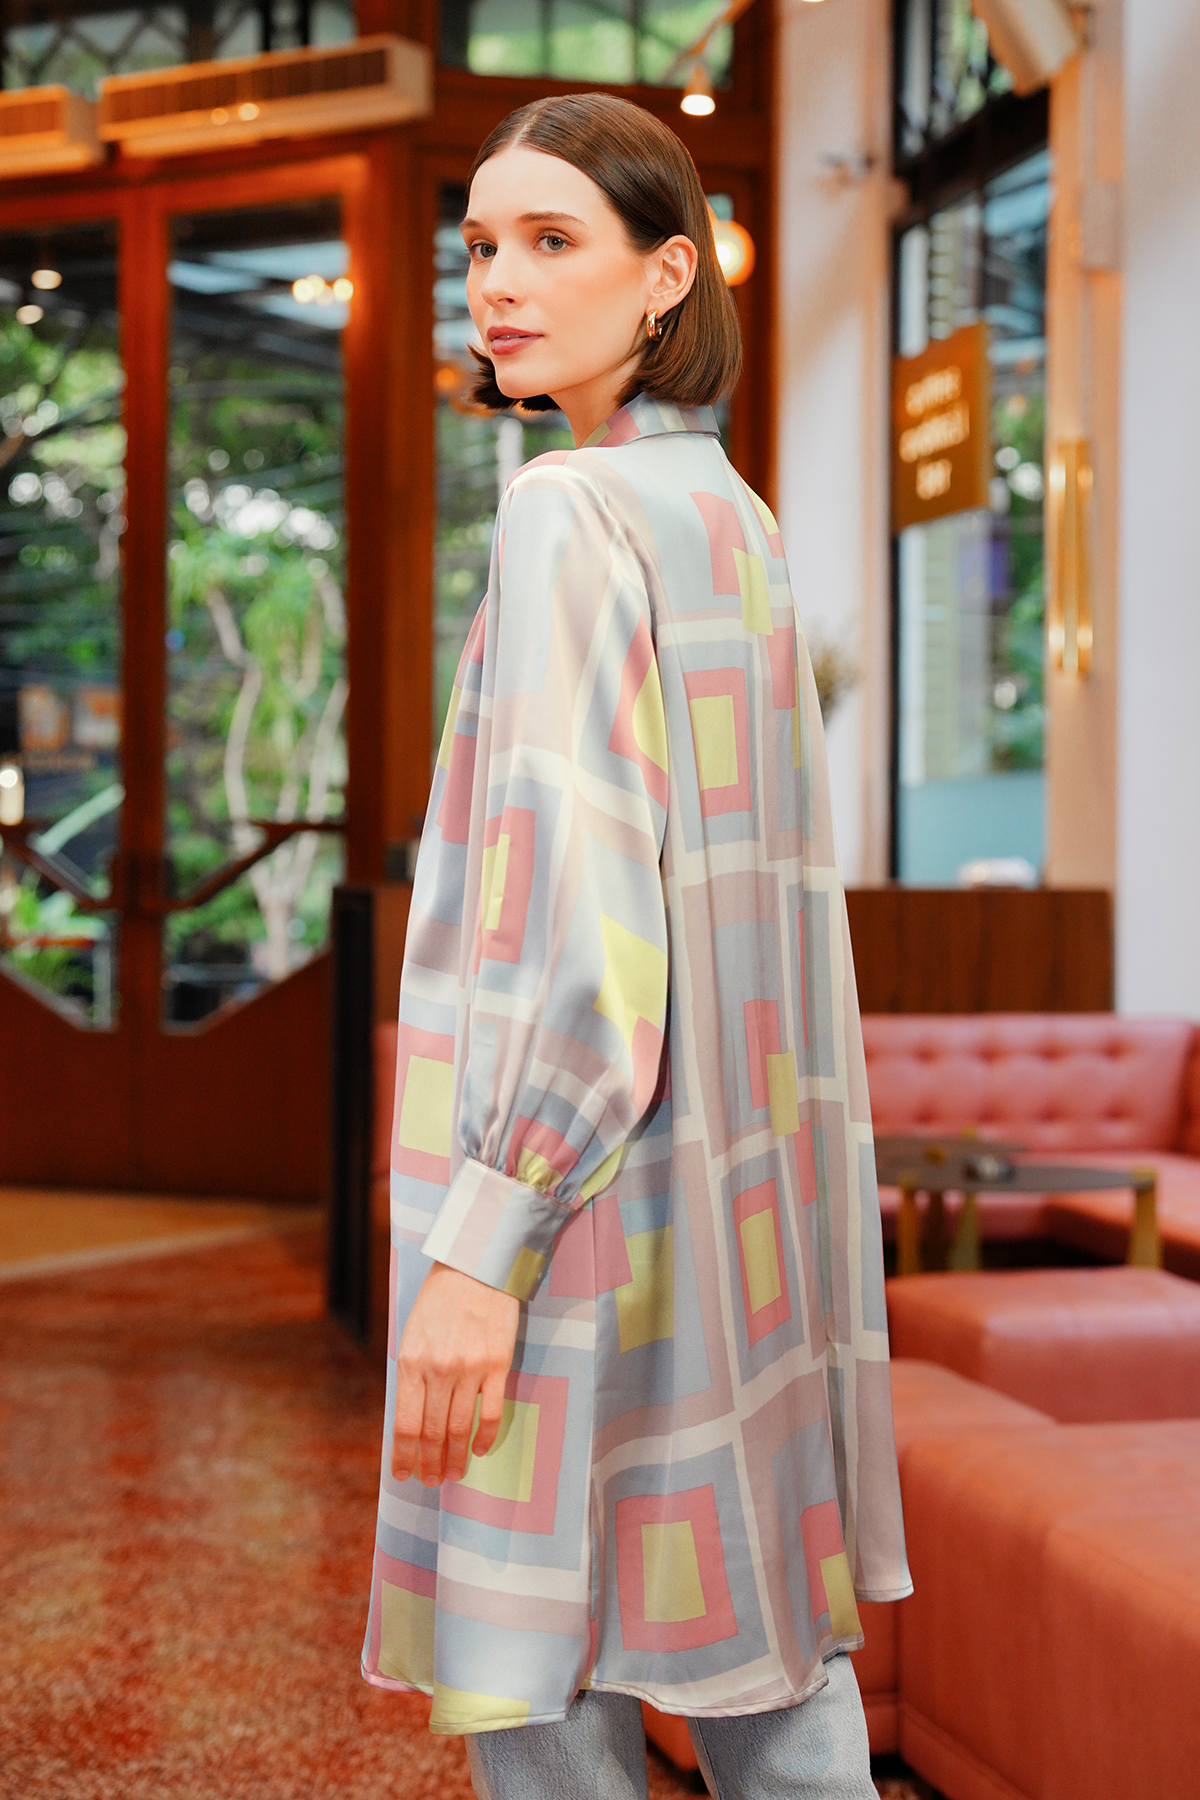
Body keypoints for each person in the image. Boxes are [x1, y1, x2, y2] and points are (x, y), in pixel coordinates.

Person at [360, 91, 911, 1800]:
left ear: (668, 274)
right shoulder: (731, 517)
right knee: (770, 1663)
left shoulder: (567, 510)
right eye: (481, 246)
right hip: (738, 1225)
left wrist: (486, 1241)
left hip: (578, 1213)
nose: (499, 284)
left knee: (538, 1681)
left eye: (552, 240)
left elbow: (583, 924)